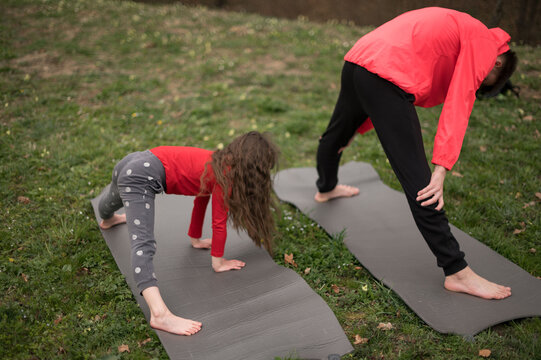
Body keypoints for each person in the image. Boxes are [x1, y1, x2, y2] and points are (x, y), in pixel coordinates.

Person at [315, 7, 517, 300]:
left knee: (336, 134)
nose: (478, 82)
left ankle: (326, 188)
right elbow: (459, 101)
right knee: (422, 184)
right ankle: (457, 272)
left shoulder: (465, 26)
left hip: (359, 59)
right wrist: (441, 168)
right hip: (385, 75)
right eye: (484, 81)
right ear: (497, 63)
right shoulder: (484, 44)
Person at [98, 131, 279, 335]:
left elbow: (201, 198)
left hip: (134, 160)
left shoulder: (216, 162)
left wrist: (195, 238)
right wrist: (218, 262)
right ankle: (159, 314)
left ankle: (107, 218)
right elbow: (218, 222)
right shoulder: (226, 178)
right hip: (141, 176)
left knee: (114, 197)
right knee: (143, 244)